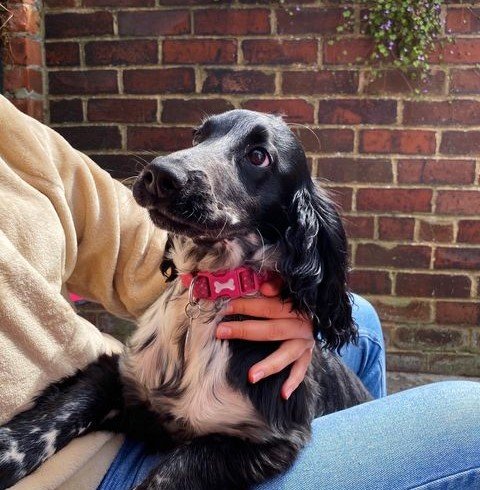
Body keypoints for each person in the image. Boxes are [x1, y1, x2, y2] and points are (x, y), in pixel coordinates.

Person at [0, 95, 478, 489]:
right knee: (471, 420)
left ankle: (376, 450)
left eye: (255, 157)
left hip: (223, 408)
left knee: (362, 321)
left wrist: (298, 306)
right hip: (103, 468)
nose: (182, 163)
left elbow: (134, 242)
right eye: (203, 139)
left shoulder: (17, 137)